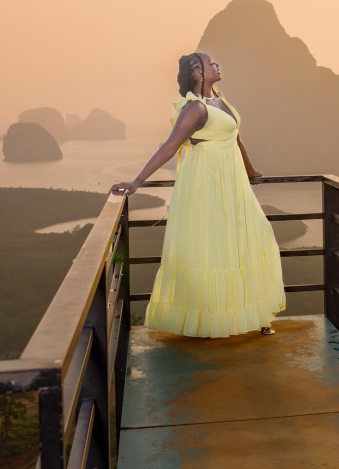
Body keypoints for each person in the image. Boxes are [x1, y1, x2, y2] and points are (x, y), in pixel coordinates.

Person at [111, 52, 285, 337]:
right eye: (210, 62)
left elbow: (236, 138)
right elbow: (169, 147)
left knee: (253, 238)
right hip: (207, 182)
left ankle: (254, 313)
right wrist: (137, 181)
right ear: (197, 73)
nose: (217, 64)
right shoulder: (195, 109)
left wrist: (251, 171)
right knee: (213, 247)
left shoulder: (220, 99)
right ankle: (209, 322)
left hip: (233, 182)